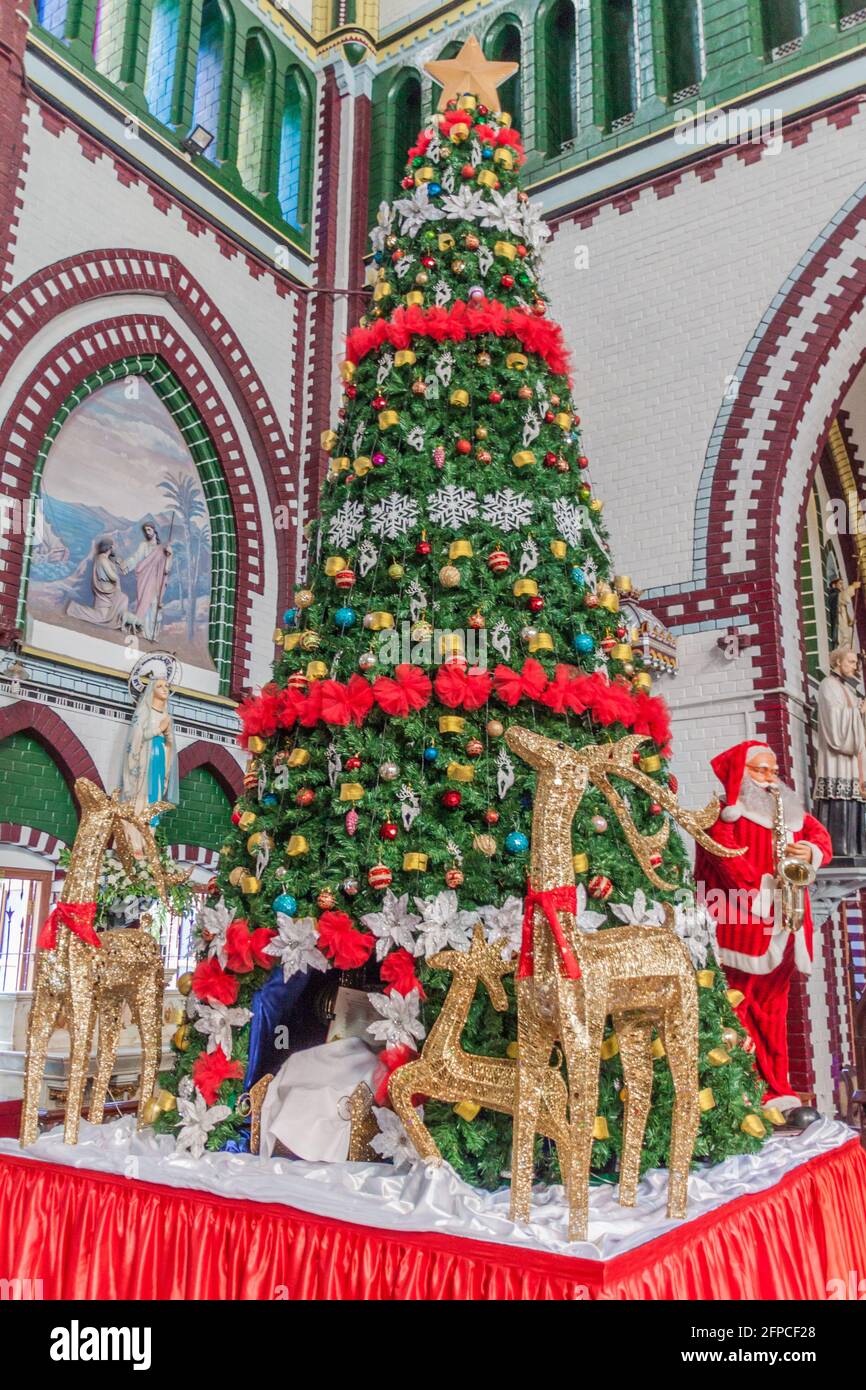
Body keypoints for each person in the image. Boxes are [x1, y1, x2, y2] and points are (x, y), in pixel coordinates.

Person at [693, 741, 832, 1112]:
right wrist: (764, 892)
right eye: (761, 770)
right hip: (743, 930)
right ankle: (740, 1095)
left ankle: (777, 1088)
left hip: (788, 925)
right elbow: (729, 866)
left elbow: (821, 837)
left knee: (773, 1012)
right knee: (735, 1010)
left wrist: (811, 852)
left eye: (773, 770)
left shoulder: (790, 811)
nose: (771, 778)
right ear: (741, 773)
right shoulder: (721, 815)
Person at [813, 647, 866, 859]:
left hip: (852, 758)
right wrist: (856, 712)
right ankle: (840, 847)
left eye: (856, 663)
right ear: (837, 662)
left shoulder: (849, 689)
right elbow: (834, 719)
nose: (855, 666)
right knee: (839, 793)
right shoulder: (829, 685)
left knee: (855, 793)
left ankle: (855, 846)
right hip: (837, 755)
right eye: (851, 662)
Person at [121, 676, 179, 827]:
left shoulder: (166, 716)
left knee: (156, 794)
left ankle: (149, 836)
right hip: (144, 759)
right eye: (160, 686)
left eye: (167, 686)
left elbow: (170, 744)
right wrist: (159, 728)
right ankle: (136, 838)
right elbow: (137, 737)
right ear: (151, 691)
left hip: (159, 757)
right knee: (142, 796)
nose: (165, 689)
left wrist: (168, 737)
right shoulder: (144, 713)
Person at [65, 536, 131, 630]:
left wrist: (117, 565)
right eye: (113, 547)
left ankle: (118, 621)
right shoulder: (102, 559)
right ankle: (74, 609)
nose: (114, 549)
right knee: (101, 616)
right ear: (110, 547)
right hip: (105, 591)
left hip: (109, 591)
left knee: (123, 598)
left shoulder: (106, 560)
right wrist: (117, 572)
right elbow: (112, 576)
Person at [126, 522, 173, 642]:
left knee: (153, 604)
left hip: (156, 581)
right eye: (146, 530)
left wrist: (169, 556)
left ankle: (151, 633)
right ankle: (142, 630)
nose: (147, 532)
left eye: (149, 530)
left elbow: (166, 569)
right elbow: (136, 558)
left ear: (154, 530)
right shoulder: (144, 545)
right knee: (144, 604)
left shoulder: (162, 549)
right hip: (145, 578)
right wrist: (126, 566)